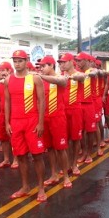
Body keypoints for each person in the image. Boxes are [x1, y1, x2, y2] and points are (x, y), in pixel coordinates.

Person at [4, 50, 47, 202]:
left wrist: (40, 122)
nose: (17, 63)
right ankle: (25, 186)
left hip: (32, 121)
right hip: (16, 122)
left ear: (26, 61)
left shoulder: (35, 78)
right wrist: (7, 122)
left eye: (20, 60)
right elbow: (7, 102)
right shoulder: (8, 79)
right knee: (21, 156)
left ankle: (41, 187)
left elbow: (42, 101)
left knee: (37, 156)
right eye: (15, 61)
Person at [37, 56, 72, 189]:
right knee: (50, 148)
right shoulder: (40, 80)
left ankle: (66, 176)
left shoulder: (61, 77)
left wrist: (40, 76)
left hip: (57, 118)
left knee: (61, 148)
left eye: (44, 66)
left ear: (51, 65)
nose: (41, 69)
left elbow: (61, 82)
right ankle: (53, 174)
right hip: (45, 118)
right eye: (40, 66)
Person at [0, 61, 19, 169]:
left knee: (14, 137)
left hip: (13, 113)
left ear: (9, 70)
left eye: (4, 70)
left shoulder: (14, 82)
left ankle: (16, 159)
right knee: (4, 138)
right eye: (0, 70)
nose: (2, 73)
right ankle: (6, 159)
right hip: (2, 114)